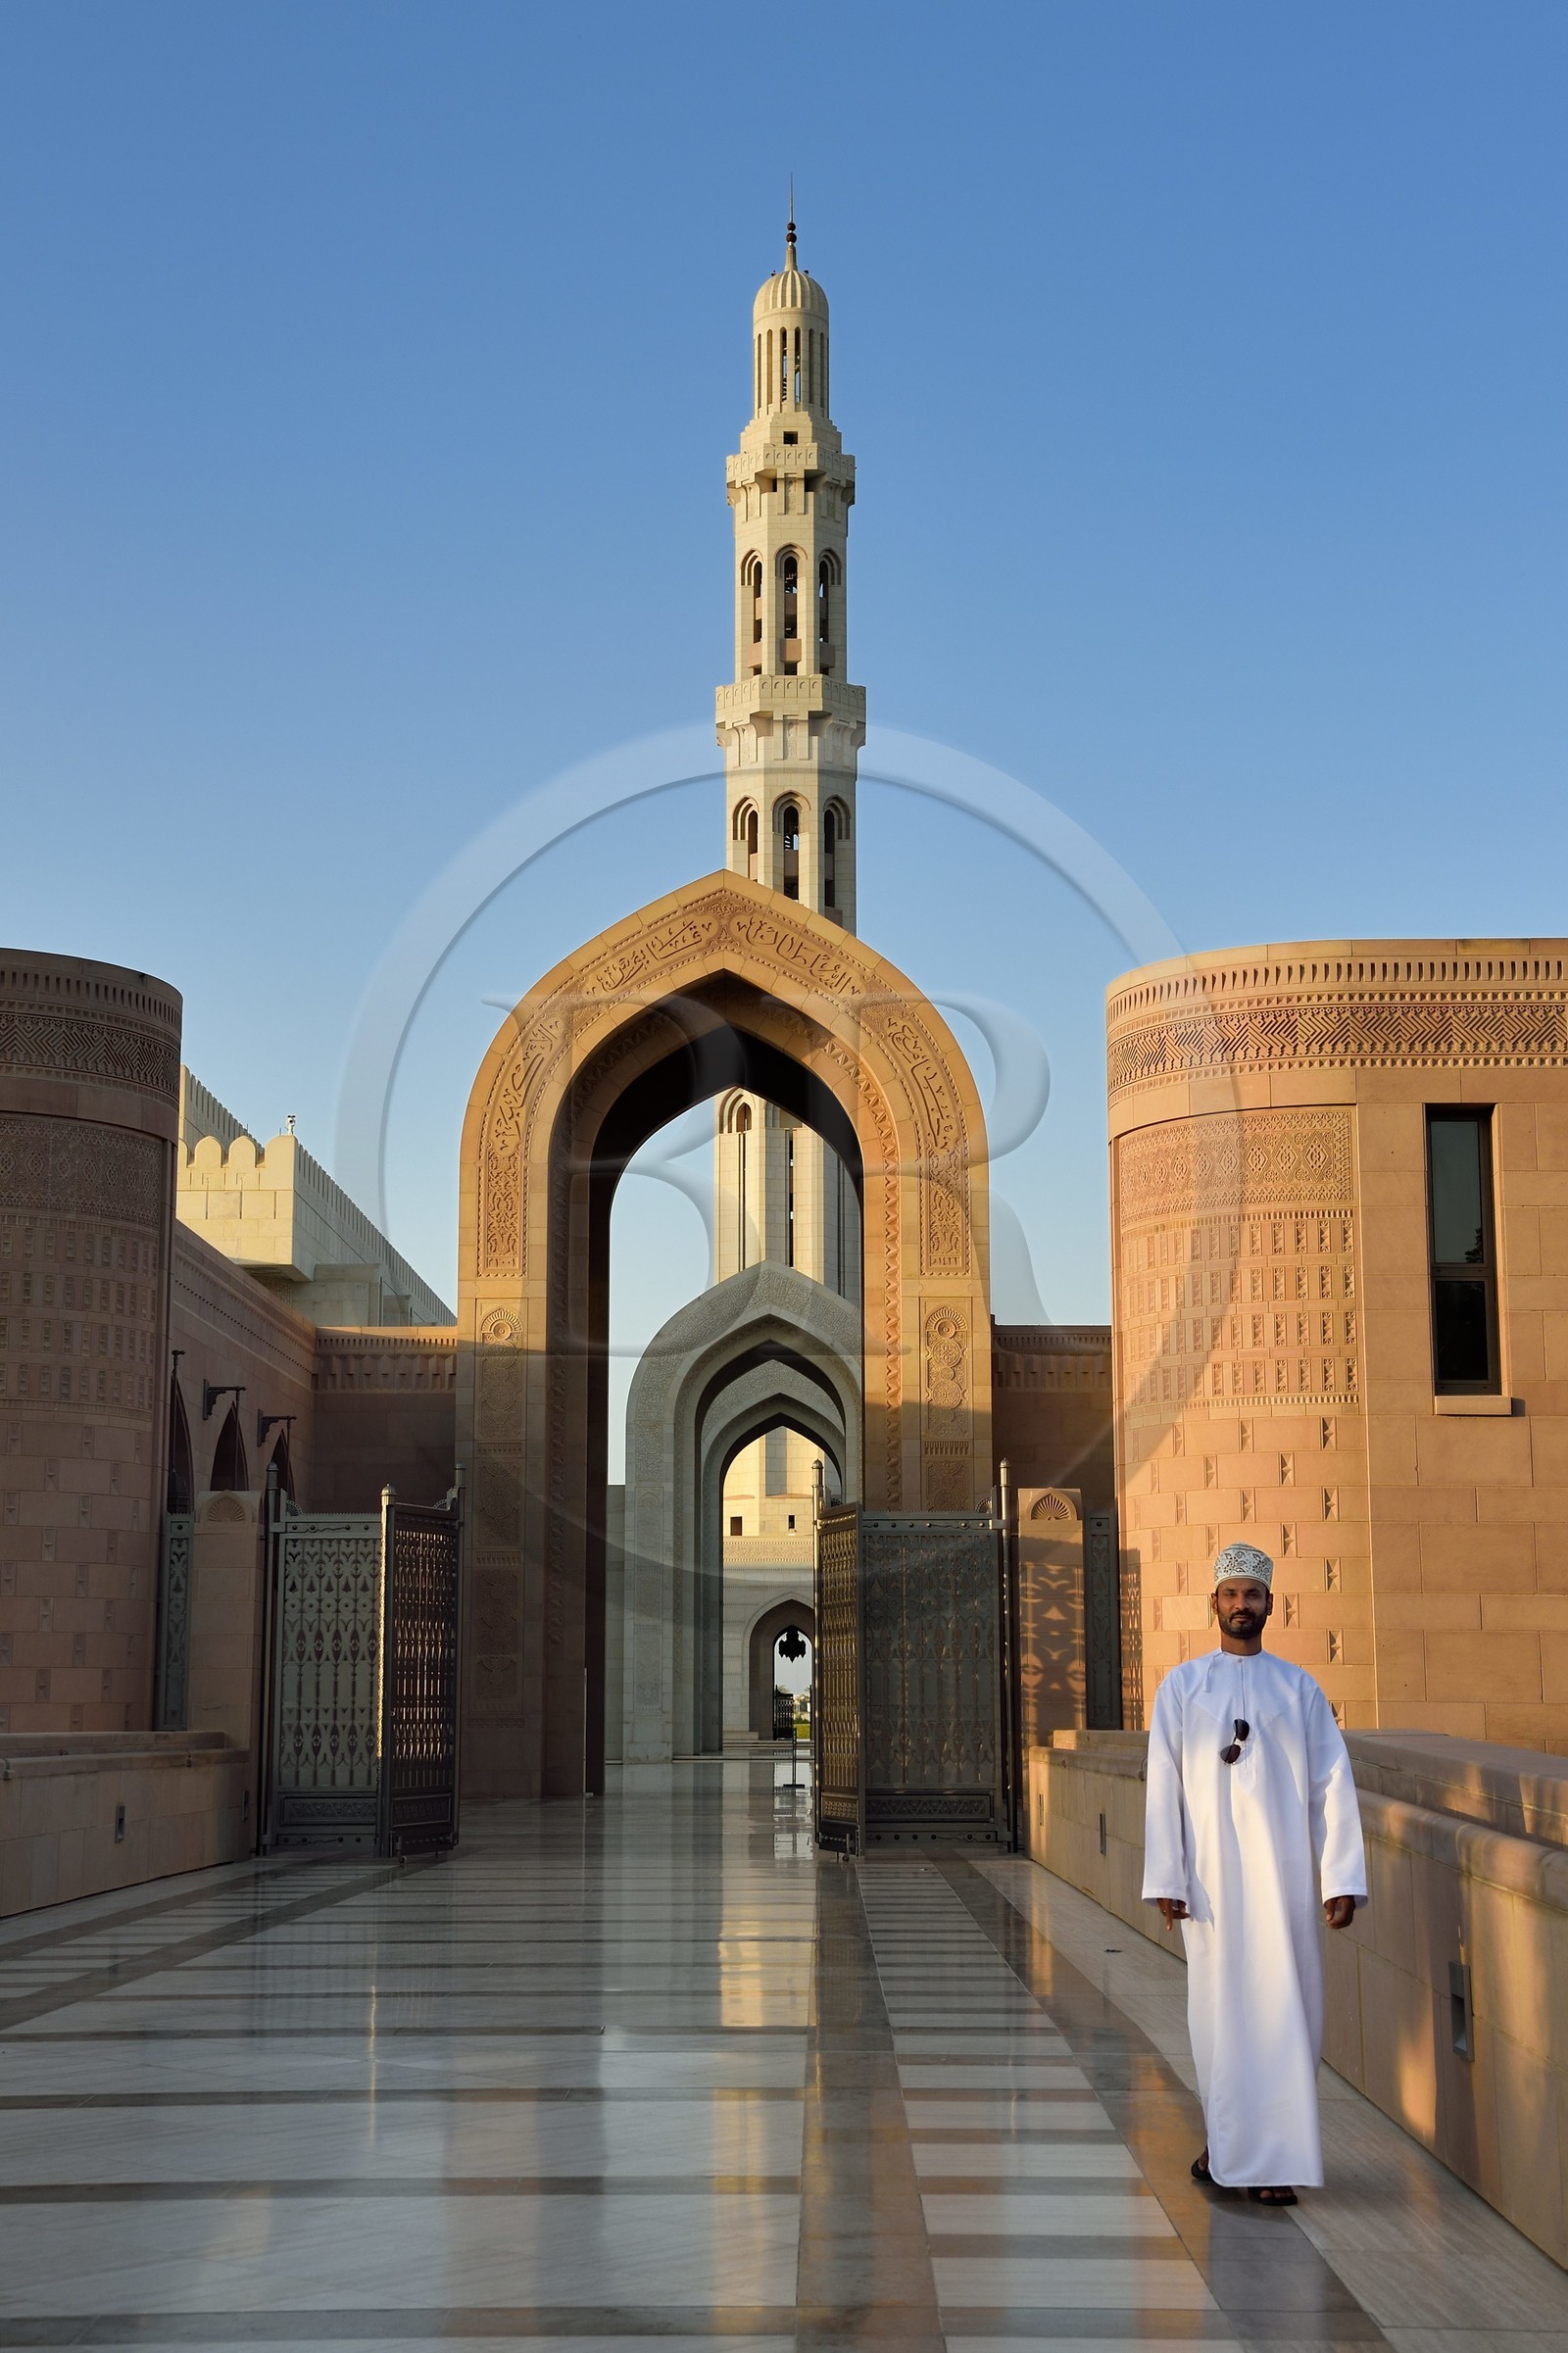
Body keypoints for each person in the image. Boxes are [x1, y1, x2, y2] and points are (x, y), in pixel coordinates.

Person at [1142, 1541, 1366, 2205]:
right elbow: (1164, 1786)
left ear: (1272, 1604)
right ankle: (1227, 2145)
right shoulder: (1182, 1686)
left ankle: (1275, 2163)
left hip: (1285, 1880)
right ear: (1213, 1602)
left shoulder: (1299, 1687)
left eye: (1254, 1594)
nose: (1243, 1604)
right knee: (1219, 2018)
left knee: (1287, 2011)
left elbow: (1333, 1782)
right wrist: (1169, 1877)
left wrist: (1340, 1876)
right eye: (1232, 1593)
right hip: (1211, 1886)